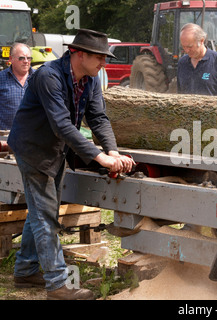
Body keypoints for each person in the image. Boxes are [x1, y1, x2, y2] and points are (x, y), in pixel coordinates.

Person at [7, 29, 135, 300]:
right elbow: (62, 124)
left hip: (56, 150)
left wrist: (113, 151)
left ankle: (26, 269)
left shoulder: (89, 80)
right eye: (100, 57)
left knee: (42, 210)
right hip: (33, 150)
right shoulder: (48, 76)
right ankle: (56, 284)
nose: (104, 63)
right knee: (46, 216)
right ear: (80, 54)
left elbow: (98, 118)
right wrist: (100, 158)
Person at [177, 23, 217, 96]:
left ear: (201, 41)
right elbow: (180, 93)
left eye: (190, 47)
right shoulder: (182, 63)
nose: (187, 51)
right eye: (183, 47)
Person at [0, 43, 34, 130]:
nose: (26, 61)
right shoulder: (1, 78)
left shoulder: (39, 77)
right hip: (6, 136)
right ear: (11, 59)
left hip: (33, 136)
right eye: (21, 58)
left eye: (29, 58)